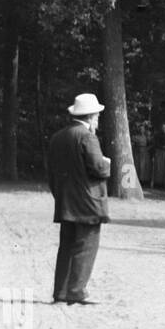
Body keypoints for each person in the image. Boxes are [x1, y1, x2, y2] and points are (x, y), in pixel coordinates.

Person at [47, 93, 112, 304]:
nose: (98, 120)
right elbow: (98, 168)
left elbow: (51, 172)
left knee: (66, 246)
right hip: (88, 203)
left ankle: (61, 292)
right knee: (86, 246)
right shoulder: (87, 137)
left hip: (66, 202)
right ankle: (77, 290)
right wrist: (107, 163)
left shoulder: (58, 137)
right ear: (91, 117)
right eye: (97, 116)